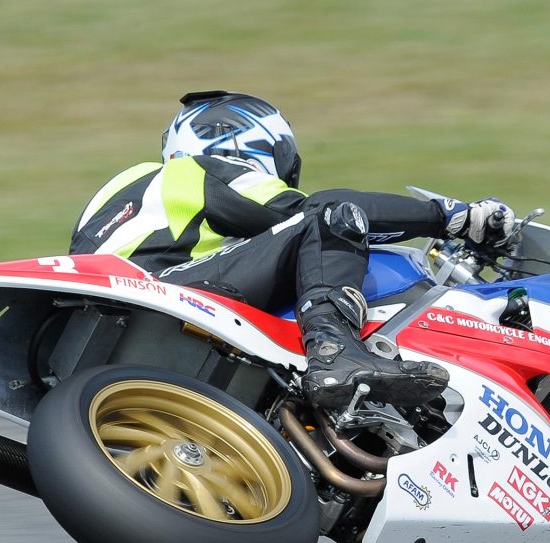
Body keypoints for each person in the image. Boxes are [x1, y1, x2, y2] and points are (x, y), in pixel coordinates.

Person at [70, 90, 515, 408]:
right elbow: (320, 212)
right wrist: (451, 217)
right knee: (332, 217)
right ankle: (335, 353)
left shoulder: (129, 193)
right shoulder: (202, 170)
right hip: (167, 298)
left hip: (101, 327)